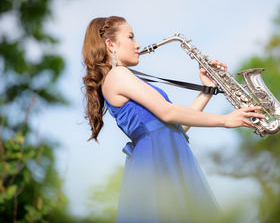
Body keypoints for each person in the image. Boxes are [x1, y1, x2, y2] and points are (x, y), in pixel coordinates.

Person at [81, 16, 264, 223]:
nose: (137, 44)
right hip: (156, 160)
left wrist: (207, 91)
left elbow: (175, 127)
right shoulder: (118, 75)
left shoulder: (123, 76)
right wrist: (225, 120)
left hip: (163, 154)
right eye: (131, 37)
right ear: (110, 44)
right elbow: (167, 112)